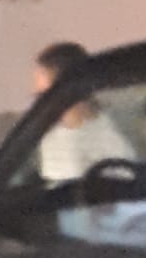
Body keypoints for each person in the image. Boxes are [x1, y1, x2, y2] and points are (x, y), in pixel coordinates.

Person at [33, 42, 137, 182]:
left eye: (45, 95)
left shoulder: (108, 140)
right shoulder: (48, 136)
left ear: (70, 88)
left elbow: (127, 187)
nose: (41, 104)